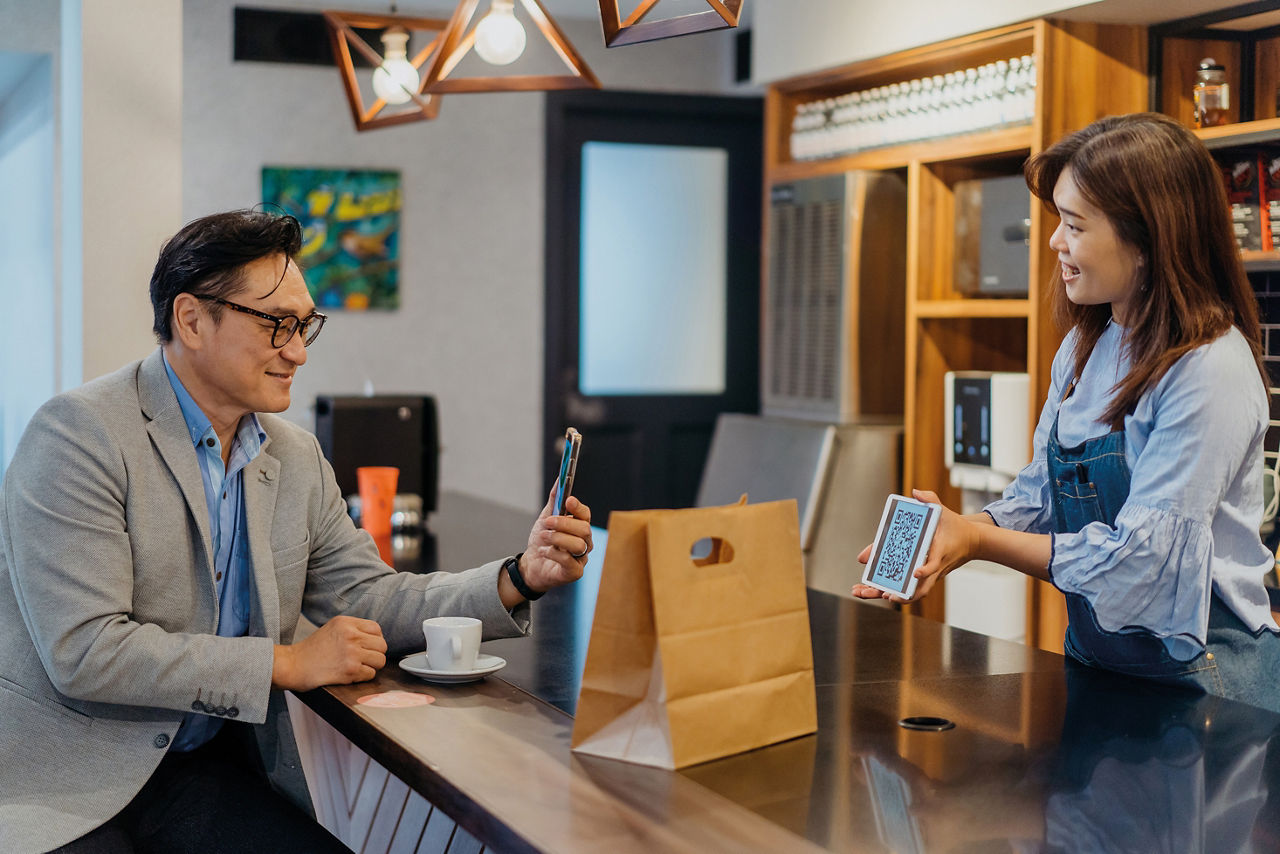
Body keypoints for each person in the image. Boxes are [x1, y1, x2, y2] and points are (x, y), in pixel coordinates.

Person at [0, 209, 594, 853]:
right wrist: (286, 662)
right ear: (192, 319)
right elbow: (86, 653)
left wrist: (517, 578)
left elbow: (367, 599)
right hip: (66, 779)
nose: (299, 351)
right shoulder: (78, 434)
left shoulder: (294, 454)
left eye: (305, 325)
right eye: (277, 324)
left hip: (203, 769)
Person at [853, 112, 1280, 713]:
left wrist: (978, 540)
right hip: (1097, 665)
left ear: (1147, 238)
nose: (1054, 240)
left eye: (1074, 224)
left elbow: (1144, 561)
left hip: (1206, 688)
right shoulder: (1086, 348)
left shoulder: (1209, 368)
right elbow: (1041, 499)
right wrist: (949, 534)